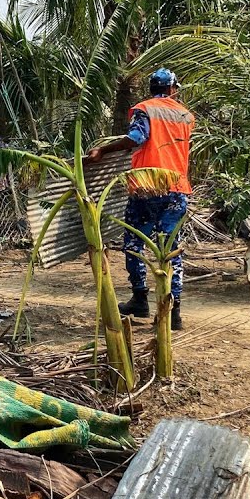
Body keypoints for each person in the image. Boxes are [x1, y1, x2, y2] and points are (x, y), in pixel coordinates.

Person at [85, 68, 194, 329]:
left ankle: (140, 298)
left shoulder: (145, 109)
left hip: (147, 187)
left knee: (135, 244)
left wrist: (103, 149)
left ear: (151, 88)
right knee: (170, 249)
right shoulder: (186, 115)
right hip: (176, 189)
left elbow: (137, 138)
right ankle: (173, 312)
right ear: (172, 89)